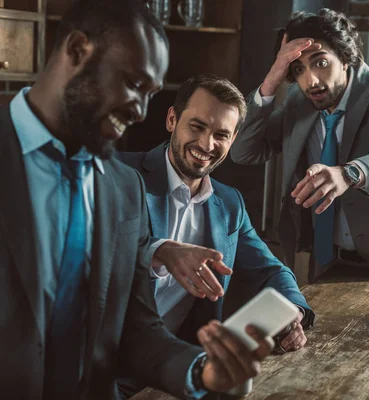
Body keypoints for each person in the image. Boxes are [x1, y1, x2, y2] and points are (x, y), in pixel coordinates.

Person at [0, 0, 272, 398]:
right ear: (77, 50)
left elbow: (136, 330)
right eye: (133, 83)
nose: (141, 111)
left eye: (151, 93)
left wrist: (203, 372)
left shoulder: (124, 189)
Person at [117, 75, 315, 397]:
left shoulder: (230, 204)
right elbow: (88, 252)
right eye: (196, 127)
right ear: (172, 119)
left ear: (233, 138)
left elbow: (271, 270)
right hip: (98, 367)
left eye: (221, 134)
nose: (207, 145)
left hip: (176, 371)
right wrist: (160, 250)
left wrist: (294, 311)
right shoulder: (119, 175)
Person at [230, 9, 369, 280]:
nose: (310, 80)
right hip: (327, 262)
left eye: (320, 62)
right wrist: (273, 78)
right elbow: (244, 152)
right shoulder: (297, 105)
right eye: (298, 69)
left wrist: (349, 173)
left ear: (345, 58)